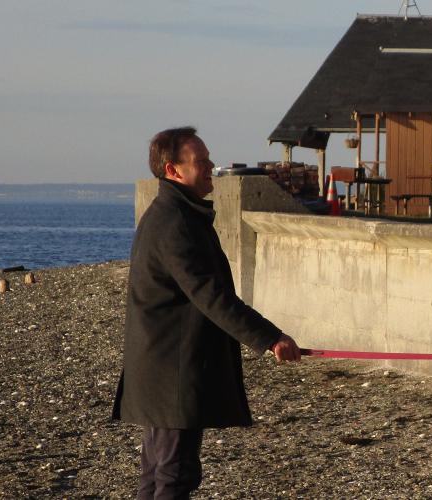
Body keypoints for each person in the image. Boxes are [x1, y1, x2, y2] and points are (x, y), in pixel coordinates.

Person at [112, 126, 307, 499]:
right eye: (200, 161)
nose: (211, 167)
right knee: (173, 474)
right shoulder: (175, 223)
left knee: (158, 472)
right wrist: (270, 338)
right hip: (171, 372)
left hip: (163, 368)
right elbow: (213, 298)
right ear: (173, 170)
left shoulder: (175, 214)